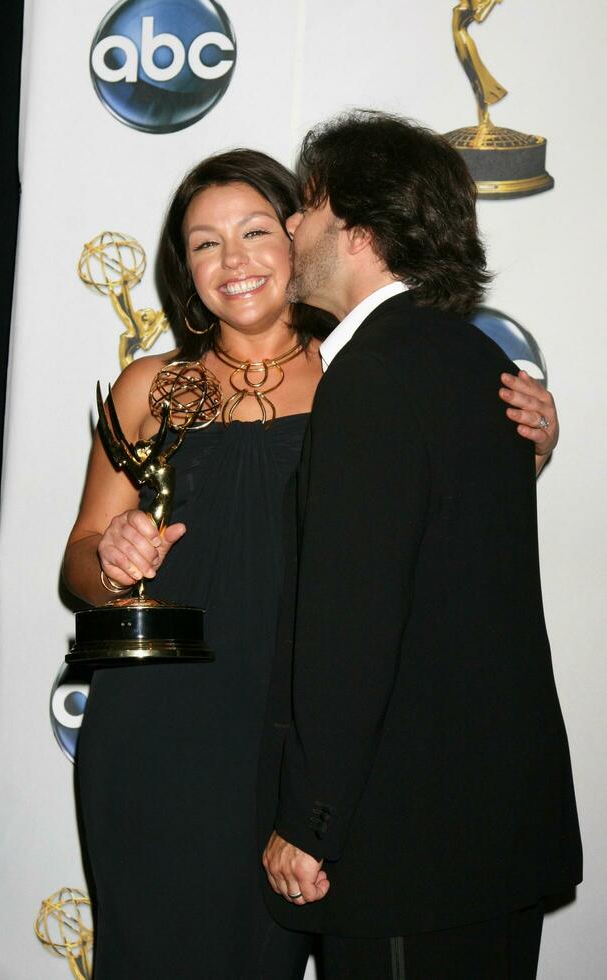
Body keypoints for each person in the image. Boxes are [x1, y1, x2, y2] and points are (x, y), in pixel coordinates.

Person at [63, 146, 560, 980]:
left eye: (257, 230)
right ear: (184, 270)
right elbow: (78, 563)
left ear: (301, 237)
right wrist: (110, 561)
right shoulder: (150, 386)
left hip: (315, 738)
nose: (234, 260)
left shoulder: (367, 375)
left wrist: (527, 453)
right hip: (164, 732)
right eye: (205, 243)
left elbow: (439, 534)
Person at [262, 111, 582, 980]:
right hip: (493, 843)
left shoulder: (373, 379)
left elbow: (353, 626)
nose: (292, 224)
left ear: (360, 230)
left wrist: (309, 817)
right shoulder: (478, 365)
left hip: (410, 851)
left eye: (308, 205)